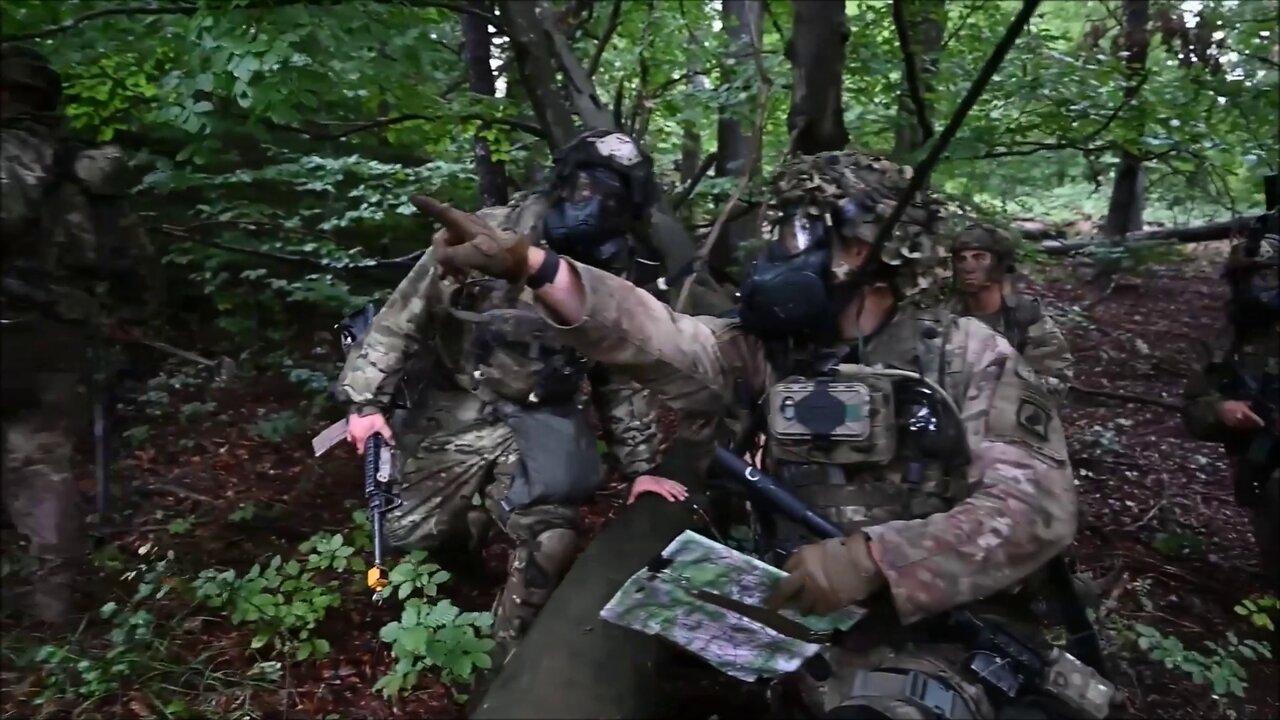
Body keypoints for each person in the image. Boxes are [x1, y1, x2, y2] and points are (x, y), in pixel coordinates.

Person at [410, 150, 1100, 719]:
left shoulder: (964, 356)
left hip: (941, 642)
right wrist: (534, 267)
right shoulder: (768, 352)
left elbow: (1034, 510)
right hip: (810, 634)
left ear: (862, 250)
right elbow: (655, 338)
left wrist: (876, 558)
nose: (774, 253)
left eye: (798, 233)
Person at [336, 130, 725, 667]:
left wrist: (641, 466)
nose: (594, 204)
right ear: (564, 180)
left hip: (544, 412)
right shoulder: (483, 234)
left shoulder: (621, 269)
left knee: (553, 535)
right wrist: (365, 405)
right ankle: (462, 537)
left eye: (612, 196)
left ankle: (504, 659)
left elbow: (622, 371)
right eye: (586, 187)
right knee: (407, 533)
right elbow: (402, 318)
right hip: (458, 400)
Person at [1, 44, 156, 627]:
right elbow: (134, 260)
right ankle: (52, 606)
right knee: (43, 465)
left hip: (45, 329)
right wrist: (134, 316)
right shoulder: (82, 168)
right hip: (53, 338)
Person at [1183, 178, 1279, 588]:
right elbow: (1192, 407)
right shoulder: (1228, 338)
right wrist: (1222, 409)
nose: (1261, 288)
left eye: (1271, 277)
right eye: (1254, 278)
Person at [951, 222, 1073, 405]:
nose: (968, 267)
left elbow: (1056, 384)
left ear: (1000, 265)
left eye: (979, 257)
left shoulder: (1027, 319)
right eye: (961, 259)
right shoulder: (944, 317)